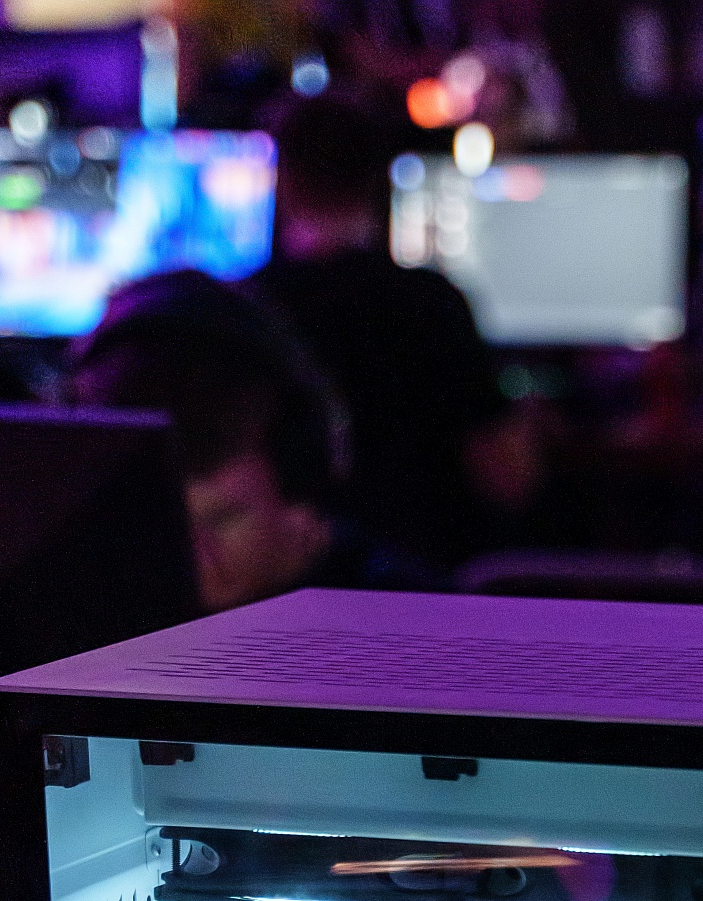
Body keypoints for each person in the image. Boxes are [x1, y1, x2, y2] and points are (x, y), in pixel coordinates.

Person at [263, 91, 538, 570]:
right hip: (418, 585)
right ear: (380, 179)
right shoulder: (431, 303)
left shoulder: (244, 308)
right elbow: (509, 479)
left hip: (282, 590)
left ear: (283, 181)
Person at [69, 270, 431, 609]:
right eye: (154, 525)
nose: (192, 560)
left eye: (220, 519)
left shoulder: (407, 615)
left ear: (302, 496)